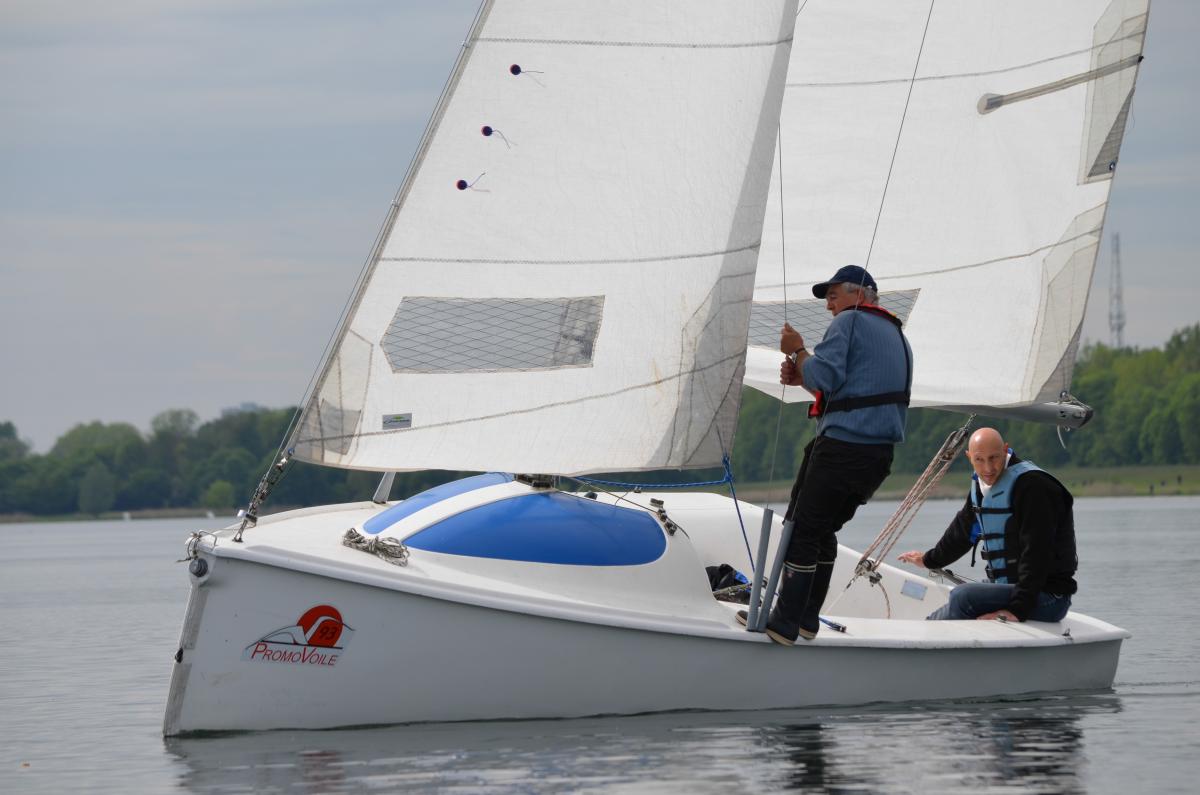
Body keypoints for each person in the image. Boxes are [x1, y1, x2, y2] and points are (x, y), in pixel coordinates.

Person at [738, 265, 912, 644]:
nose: (829, 306)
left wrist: (798, 351)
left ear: (859, 295)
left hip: (841, 450)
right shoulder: (896, 334)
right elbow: (848, 388)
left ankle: (784, 622)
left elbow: (826, 378)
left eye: (833, 296)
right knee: (822, 530)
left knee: (801, 530)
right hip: (876, 459)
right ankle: (806, 619)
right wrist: (805, 375)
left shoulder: (849, 321)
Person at [897, 427, 1077, 622]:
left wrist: (1017, 610)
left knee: (963, 596)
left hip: (1047, 597)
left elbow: (1038, 552)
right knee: (958, 598)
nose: (988, 468)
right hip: (1013, 589)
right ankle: (925, 633)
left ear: (1005, 450)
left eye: (994, 458)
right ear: (969, 457)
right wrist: (929, 560)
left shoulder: (1034, 486)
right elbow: (963, 533)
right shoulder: (981, 485)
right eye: (979, 460)